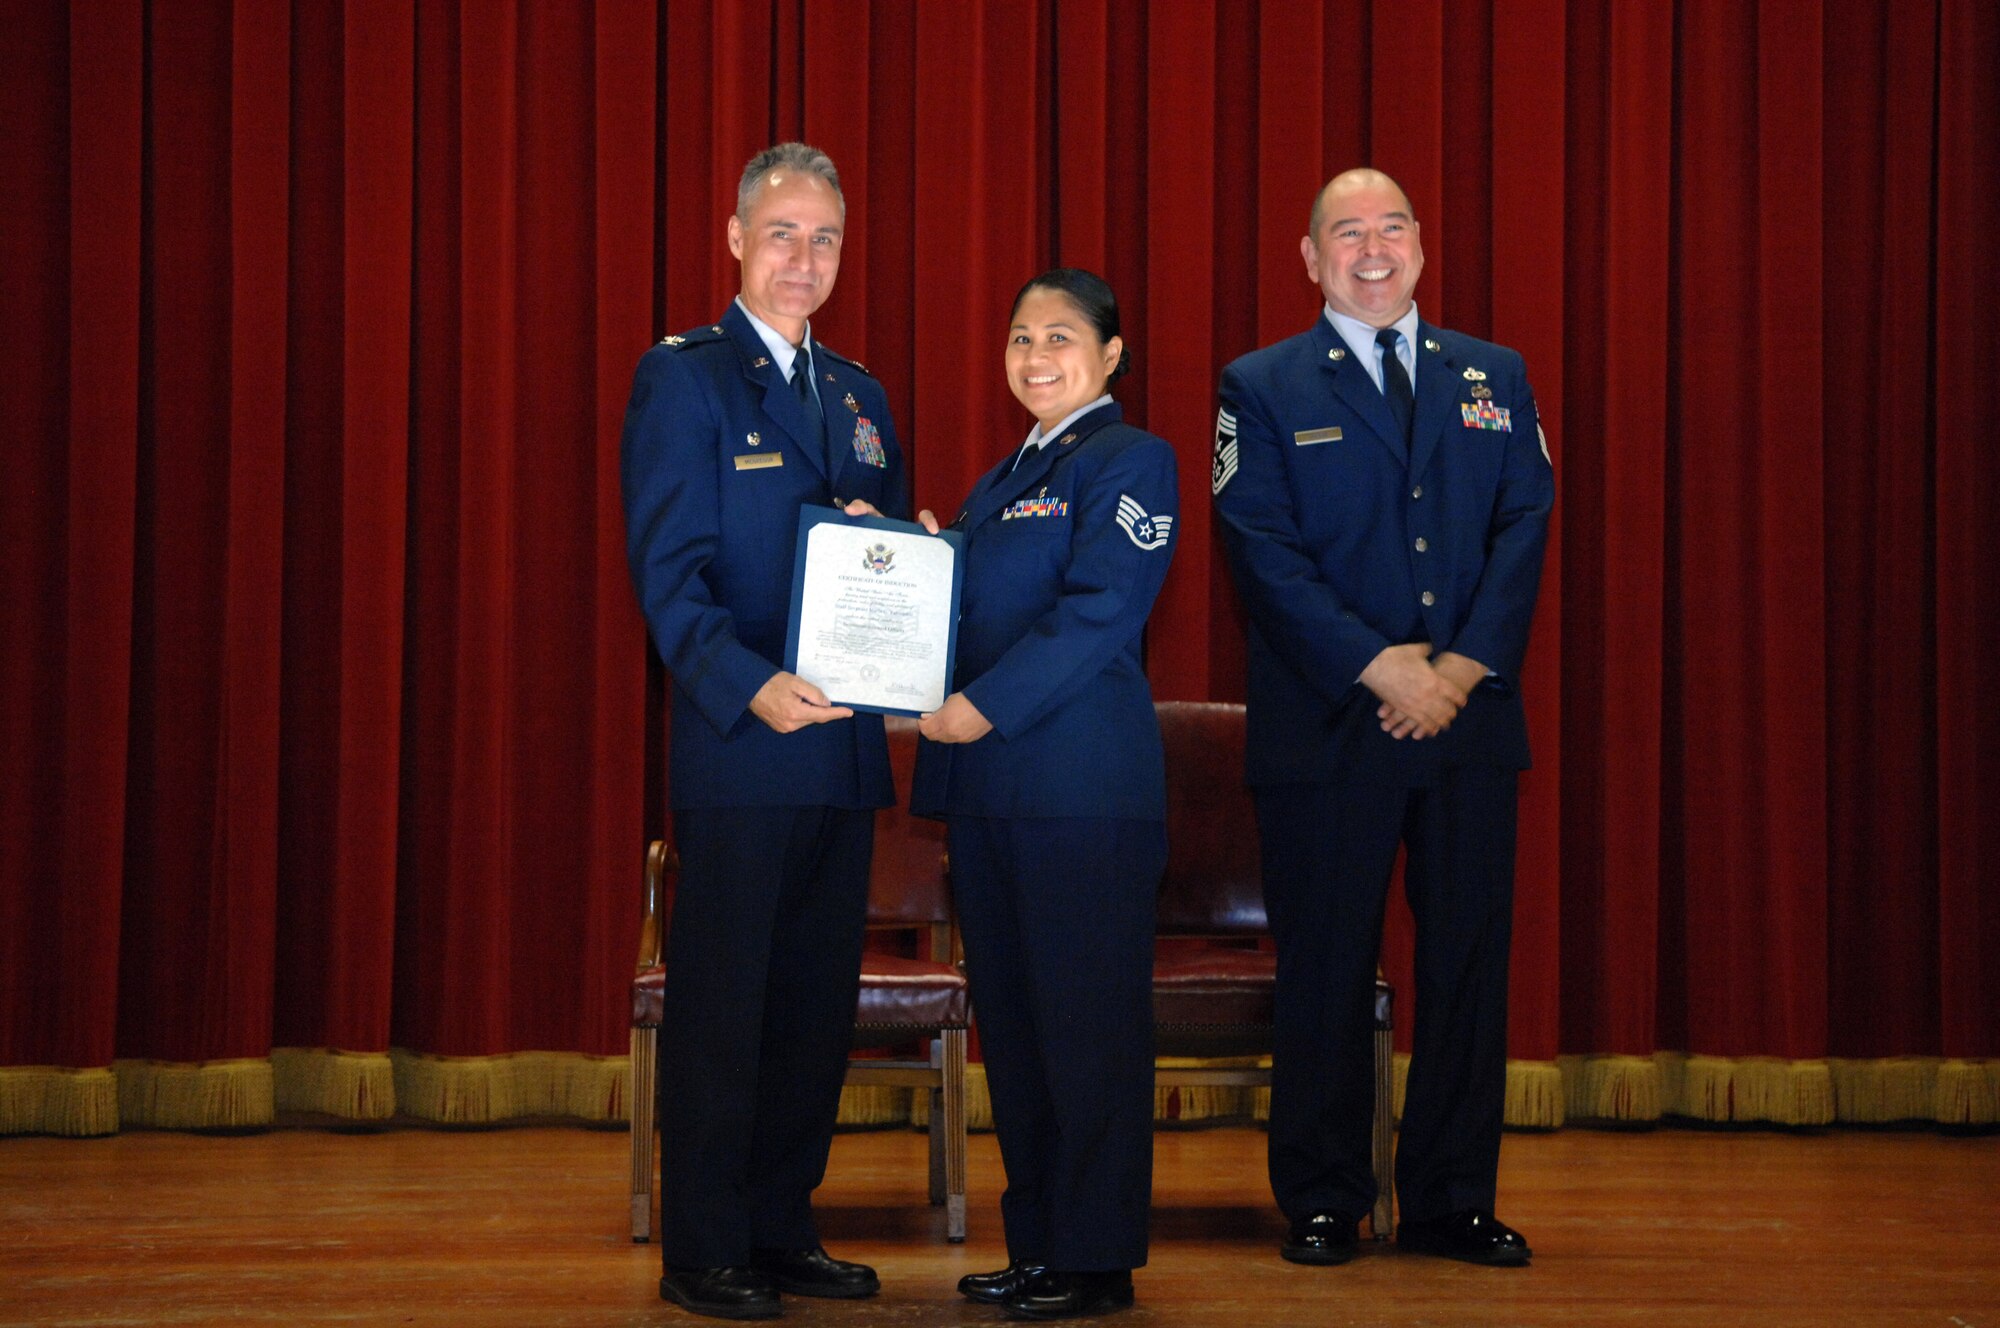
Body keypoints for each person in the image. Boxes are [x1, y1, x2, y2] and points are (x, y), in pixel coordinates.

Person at [1210, 169, 1554, 1268]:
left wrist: (1457, 668)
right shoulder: (1259, 384)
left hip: (1467, 717)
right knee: (1323, 966)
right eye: (1346, 231)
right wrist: (1376, 666)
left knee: (1466, 965)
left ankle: (1451, 1198)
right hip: (1328, 724)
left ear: (1420, 245)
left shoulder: (1493, 374)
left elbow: (1524, 522)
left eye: (1391, 226)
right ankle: (1322, 1196)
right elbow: (1260, 549)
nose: (1372, 248)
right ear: (1311, 259)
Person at [619, 142, 907, 1322]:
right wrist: (748, 685)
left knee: (810, 1011)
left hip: (841, 748)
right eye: (781, 232)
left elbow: (877, 564)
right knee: (725, 1008)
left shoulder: (860, 394)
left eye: (823, 237)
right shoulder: (683, 378)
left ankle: (783, 1224)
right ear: (735, 239)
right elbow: (668, 573)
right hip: (742, 742)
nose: (803, 257)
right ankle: (705, 1244)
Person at [909, 269, 1178, 1320]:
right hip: (990, 794)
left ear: (1111, 355)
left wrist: (982, 704)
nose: (1034, 355)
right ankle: (1039, 1248)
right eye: (1020, 336)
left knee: (1086, 1030)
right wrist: (908, 564)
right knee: (1018, 1035)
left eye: (1059, 336)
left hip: (1080, 794)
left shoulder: (1130, 459)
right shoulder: (1001, 477)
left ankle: (1096, 1258)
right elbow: (971, 608)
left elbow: (1100, 609)